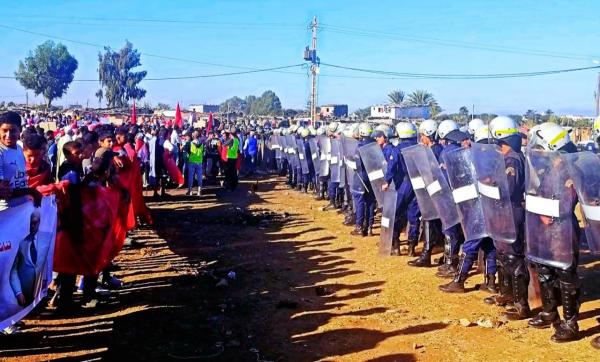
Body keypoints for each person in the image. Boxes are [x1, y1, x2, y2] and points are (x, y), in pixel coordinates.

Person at [525, 122, 580, 342]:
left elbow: (566, 204)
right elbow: (539, 192)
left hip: (563, 231)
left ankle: (570, 323)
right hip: (544, 230)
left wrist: (545, 211)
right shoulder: (550, 169)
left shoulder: (570, 171)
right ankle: (549, 311)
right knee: (545, 270)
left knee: (566, 276)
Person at [408, 119, 444, 267]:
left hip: (433, 192)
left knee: (429, 219)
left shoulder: (433, 151)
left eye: (422, 135)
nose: (421, 138)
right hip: (434, 192)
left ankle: (426, 254)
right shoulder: (436, 149)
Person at [383, 122, 421, 255]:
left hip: (403, 184)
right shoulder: (419, 148)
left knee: (395, 213)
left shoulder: (397, 149)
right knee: (414, 215)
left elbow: (392, 166)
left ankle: (395, 244)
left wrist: (386, 181)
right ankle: (412, 247)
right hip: (417, 184)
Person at [0, 111, 41, 210]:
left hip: (22, 207)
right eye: (4, 130)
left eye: (13, 130)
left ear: (20, 130)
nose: (8, 135)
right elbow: (4, 192)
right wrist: (31, 191)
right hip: (6, 211)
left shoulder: (19, 148)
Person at [9, 211, 43, 306]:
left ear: (40, 222)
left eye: (35, 223)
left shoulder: (47, 240)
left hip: (41, 295)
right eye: (31, 223)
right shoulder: (21, 243)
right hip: (25, 296)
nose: (32, 226)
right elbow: (13, 270)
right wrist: (18, 292)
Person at [351, 122, 376, 237]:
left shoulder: (360, 146)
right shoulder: (375, 145)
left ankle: (359, 226)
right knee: (370, 202)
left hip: (361, 177)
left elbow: (357, 164)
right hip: (373, 177)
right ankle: (370, 227)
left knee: (359, 201)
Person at [186, 130, 204, 196]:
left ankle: (190, 191)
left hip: (192, 161)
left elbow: (188, 152)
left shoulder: (190, 143)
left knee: (190, 176)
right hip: (199, 162)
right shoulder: (202, 144)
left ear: (193, 136)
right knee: (199, 177)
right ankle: (199, 191)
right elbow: (202, 152)